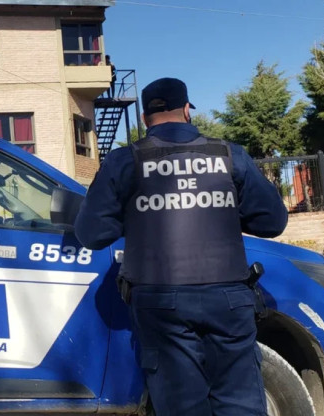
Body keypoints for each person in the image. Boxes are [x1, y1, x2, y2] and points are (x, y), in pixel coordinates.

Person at [74, 77, 287, 416]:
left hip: (161, 305)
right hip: (229, 300)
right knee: (241, 405)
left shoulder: (124, 162)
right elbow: (272, 222)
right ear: (187, 110)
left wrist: (136, 213)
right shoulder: (230, 156)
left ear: (145, 119)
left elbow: (91, 234)